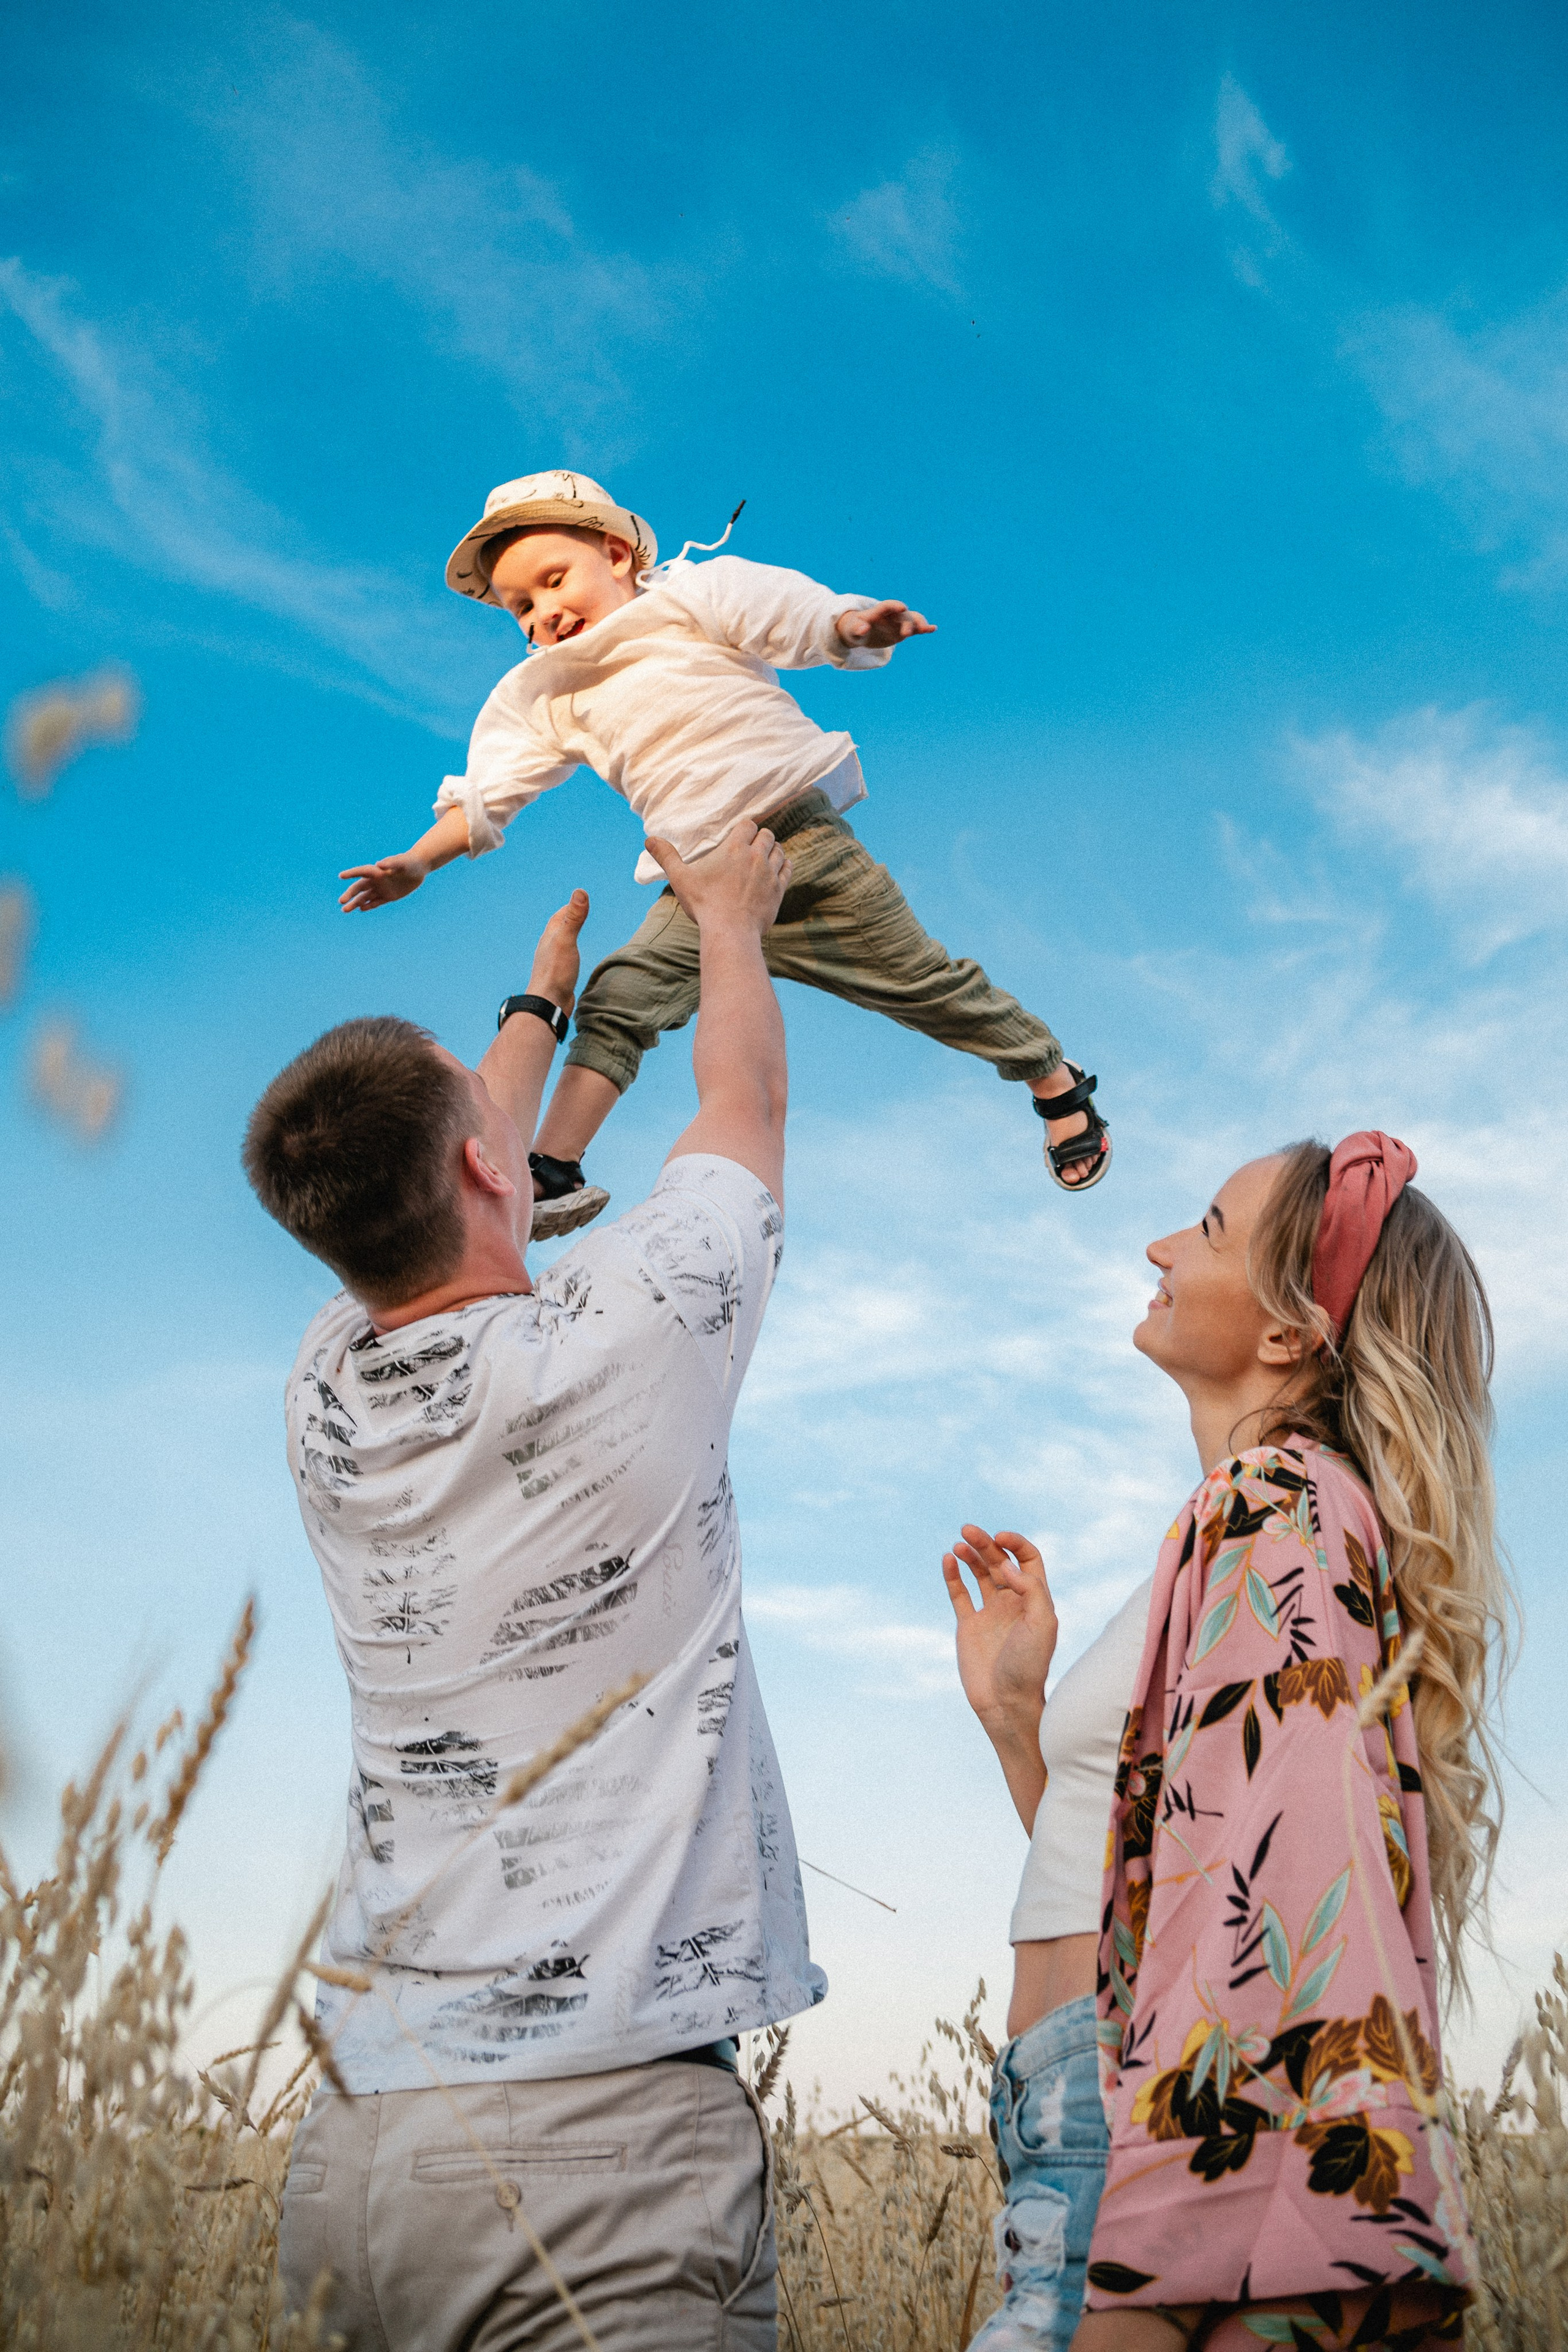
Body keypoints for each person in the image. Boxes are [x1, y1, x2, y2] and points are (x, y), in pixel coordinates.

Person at [246, 820, 822, 2351]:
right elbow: (743, 1102)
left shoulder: (323, 1385)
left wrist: (537, 997)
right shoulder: (630, 1324)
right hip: (596, 2150)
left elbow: (450, 1157)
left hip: (358, 2154)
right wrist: (729, 917)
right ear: (480, 1163)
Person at [944, 1133, 1507, 2350]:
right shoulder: (1261, 1518)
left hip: (1127, 2135)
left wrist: (1149, 2304)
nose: (1157, 1246)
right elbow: (1177, 1877)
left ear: (1287, 1332)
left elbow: (1270, 1949)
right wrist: (1016, 1727)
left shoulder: (1271, 1511)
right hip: (1075, 2115)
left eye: (1203, 1228)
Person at [337, 469, 1110, 1236]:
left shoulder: (690, 596)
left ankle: (1051, 1076)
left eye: (553, 580)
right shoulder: (548, 688)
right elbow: (489, 788)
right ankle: (553, 1167)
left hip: (803, 850)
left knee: (928, 987)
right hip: (700, 885)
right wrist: (418, 860)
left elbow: (786, 612)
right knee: (619, 997)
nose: (544, 613)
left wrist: (852, 626)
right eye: (521, 608)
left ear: (615, 554)